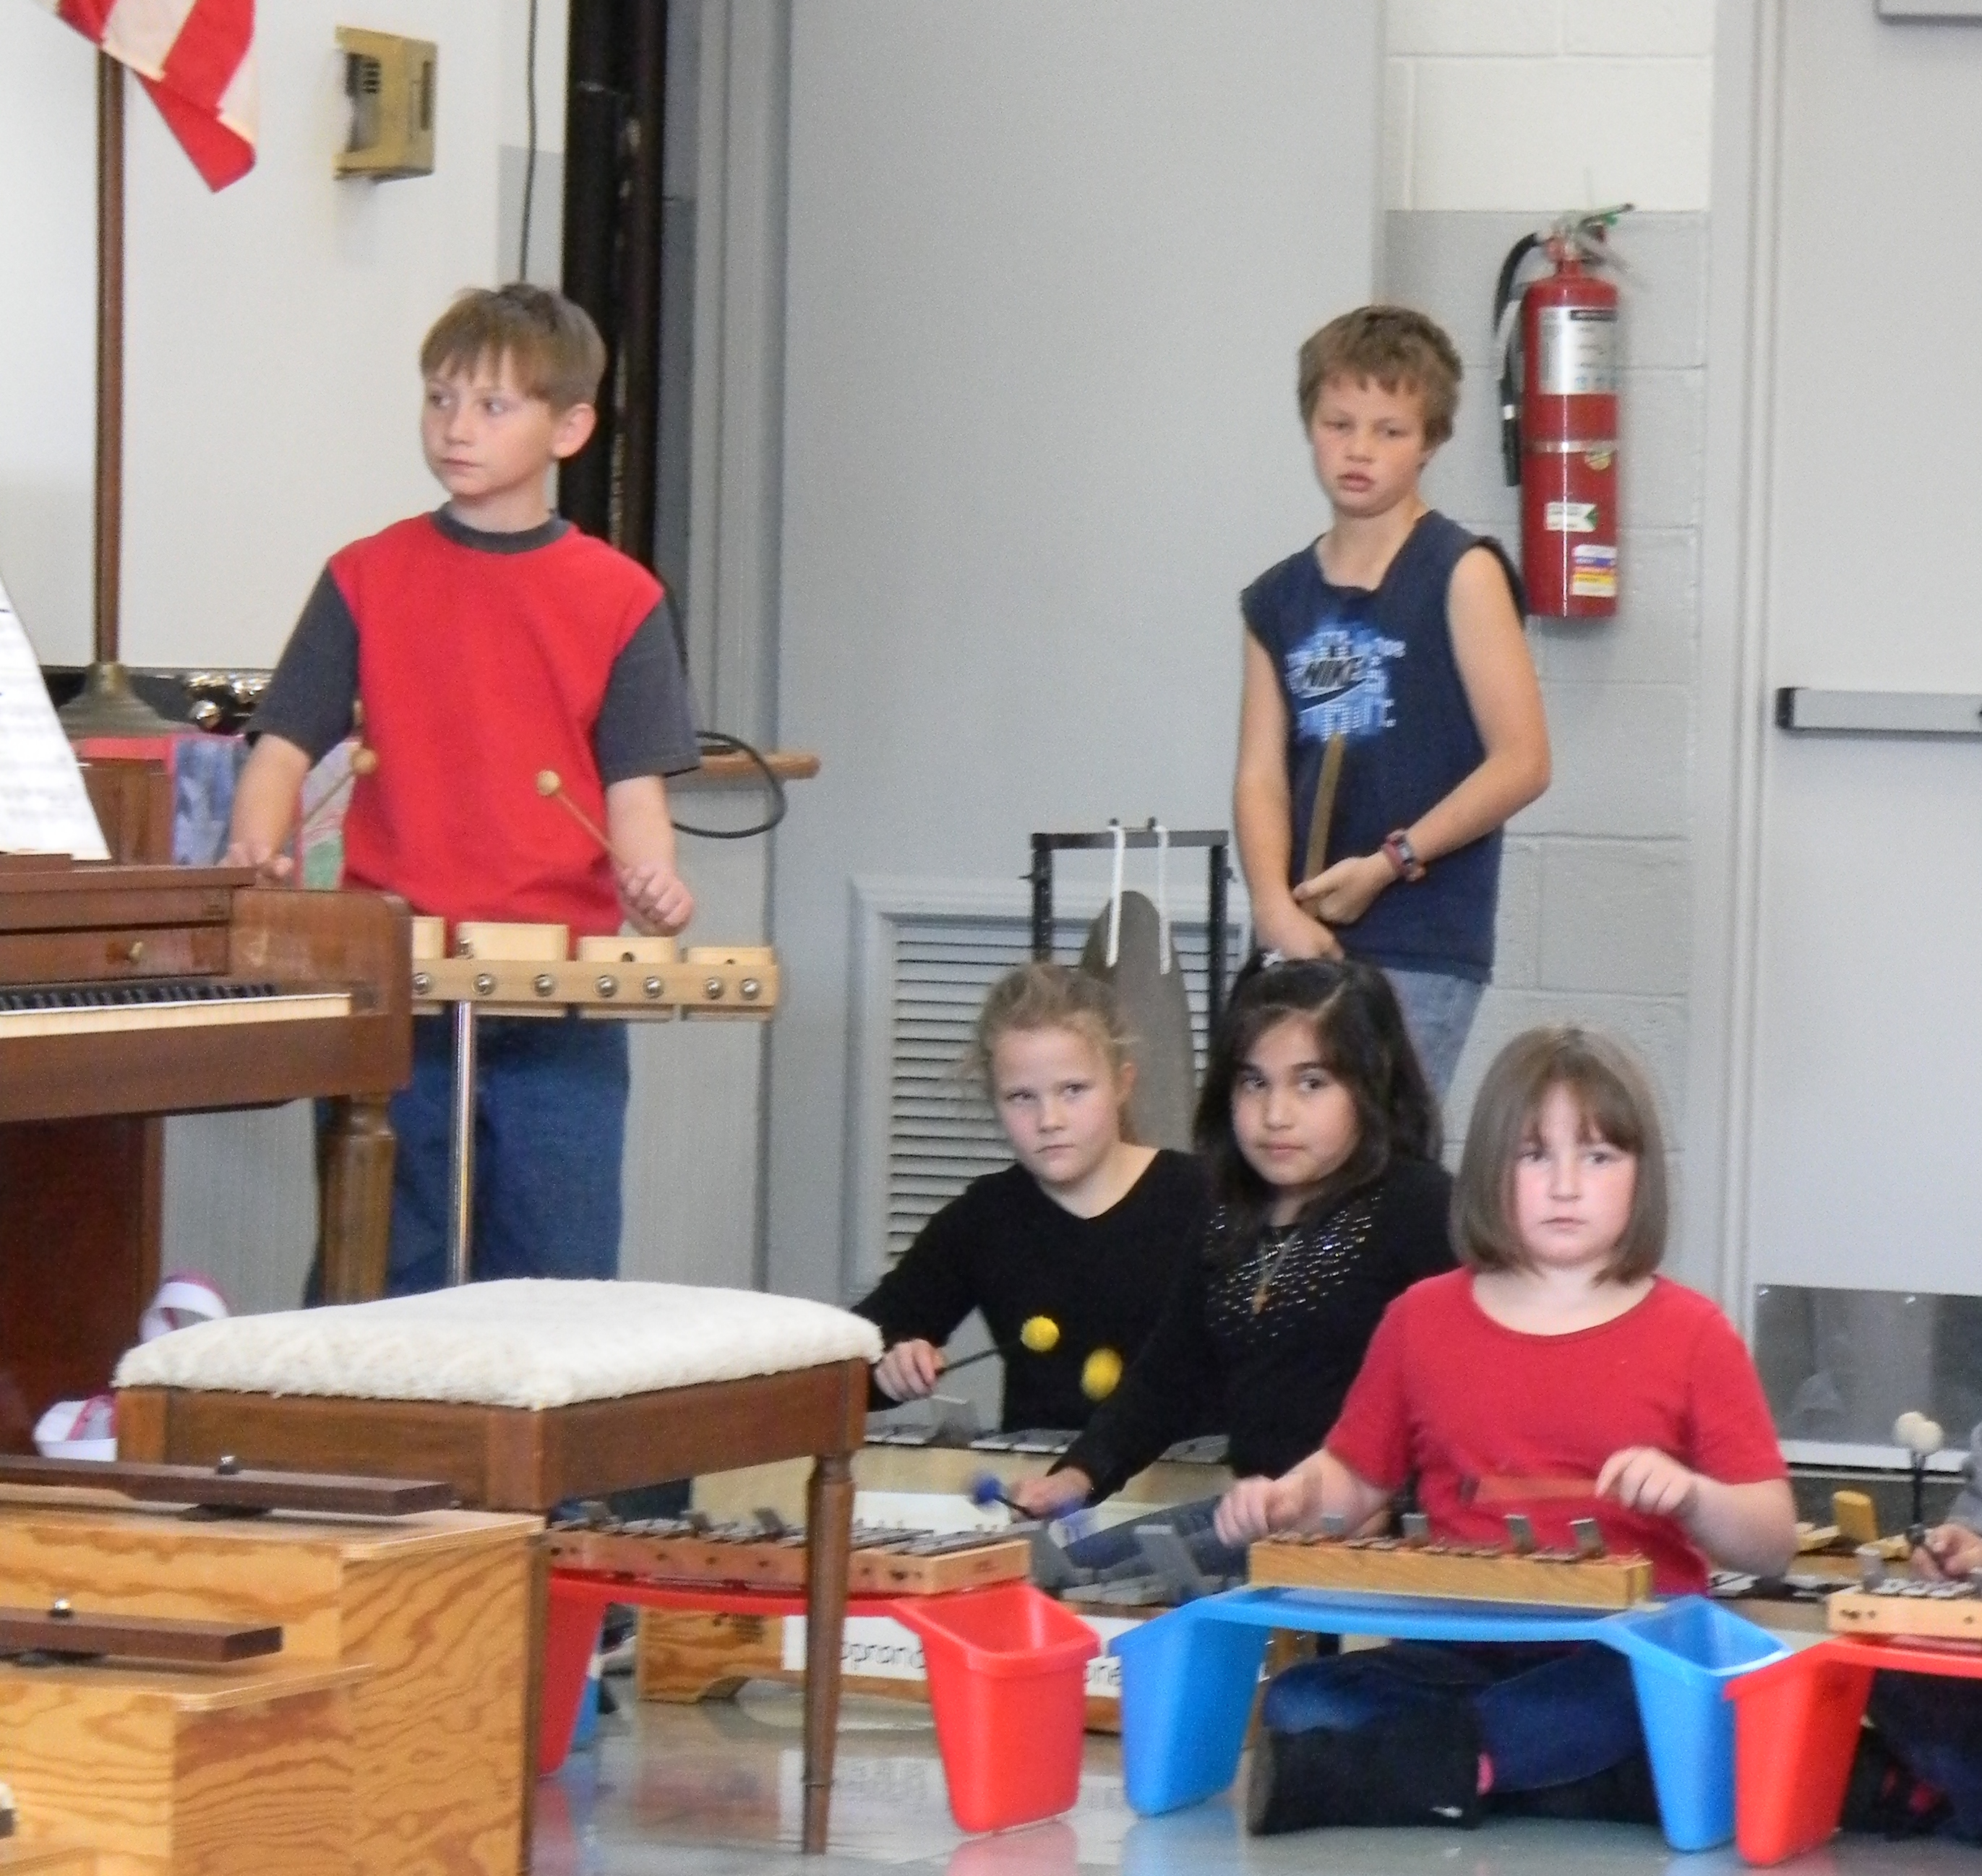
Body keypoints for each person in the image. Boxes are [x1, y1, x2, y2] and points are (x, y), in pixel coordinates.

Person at [226, 284, 701, 1295]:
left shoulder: (623, 599)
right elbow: (282, 751)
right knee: (376, 1285)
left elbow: (633, 796)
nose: (455, 427)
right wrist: (255, 856)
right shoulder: (364, 575)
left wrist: (654, 885)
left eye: (492, 406)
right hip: (392, 989)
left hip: (558, 1006)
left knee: (555, 1289)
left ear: (568, 428)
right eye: (440, 399)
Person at [1219, 1025, 1796, 1835]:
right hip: (1460, 1653)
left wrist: (1694, 1497)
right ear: (1492, 1168)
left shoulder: (1694, 1333)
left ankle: (1435, 1772)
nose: (1566, 1186)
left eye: (1598, 1156)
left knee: (1653, 1685)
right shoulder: (1420, 1320)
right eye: (1534, 1155)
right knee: (1303, 1698)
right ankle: (1535, 1776)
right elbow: (1354, 1480)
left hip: (1620, 1652)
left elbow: (1772, 1542)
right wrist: (1289, 1502)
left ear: (1643, 1175)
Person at [1008, 955, 1454, 1557]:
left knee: (1124, 1594)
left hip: (1355, 1531)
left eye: (1311, 1083)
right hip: (1254, 1513)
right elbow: (1169, 1373)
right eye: (1254, 1083)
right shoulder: (1230, 1214)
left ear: (1372, 1084)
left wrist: (1395, 1504)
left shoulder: (1418, 1206)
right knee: (1058, 1573)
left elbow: (1466, 1393)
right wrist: (1080, 1474)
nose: (1276, 1115)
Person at [1233, 305, 1550, 1094]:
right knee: (1288, 1141)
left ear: (1430, 441)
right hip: (1302, 933)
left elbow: (1523, 761)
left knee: (1383, 1144)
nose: (1359, 449)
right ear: (1310, 424)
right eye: (1338, 424)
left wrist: (1389, 863)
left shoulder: (1462, 572)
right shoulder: (1276, 599)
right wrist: (1272, 906)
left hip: (1419, 935)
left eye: (1390, 431)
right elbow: (1261, 774)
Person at [854, 963, 1206, 1434]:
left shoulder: (1204, 1200)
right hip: (1037, 1472)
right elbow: (848, 1358)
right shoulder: (984, 1219)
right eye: (1022, 1097)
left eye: (1074, 1090)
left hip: (1191, 1473)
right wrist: (890, 1368)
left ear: (1123, 1084)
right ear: (994, 1100)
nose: (1049, 1120)